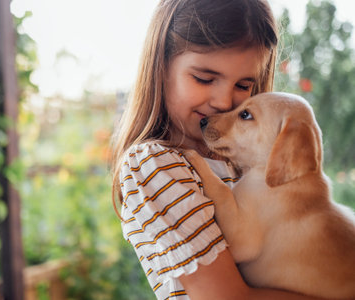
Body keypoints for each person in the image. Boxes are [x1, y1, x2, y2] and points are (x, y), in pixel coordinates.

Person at [110, 0, 328, 299]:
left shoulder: (245, 162)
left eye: (243, 85)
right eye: (204, 78)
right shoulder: (153, 164)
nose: (225, 102)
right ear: (160, 65)